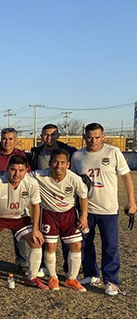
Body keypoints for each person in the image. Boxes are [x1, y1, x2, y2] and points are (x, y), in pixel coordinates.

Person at [70, 123, 136, 296]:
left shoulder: (113, 152)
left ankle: (111, 280)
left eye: (97, 137)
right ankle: (91, 274)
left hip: (108, 209)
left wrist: (131, 201)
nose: (93, 140)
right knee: (85, 243)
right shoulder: (77, 156)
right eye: (89, 137)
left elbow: (126, 176)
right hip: (86, 209)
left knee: (110, 245)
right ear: (84, 137)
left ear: (103, 136)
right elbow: (73, 181)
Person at [0, 155, 44, 290]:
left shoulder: (32, 183)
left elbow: (36, 206)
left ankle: (32, 278)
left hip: (19, 217)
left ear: (26, 170)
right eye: (13, 170)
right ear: (7, 168)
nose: (17, 174)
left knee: (36, 241)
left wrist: (36, 229)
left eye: (21, 170)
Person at [30, 149, 89, 291]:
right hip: (49, 214)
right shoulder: (39, 175)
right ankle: (53, 277)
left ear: (68, 164)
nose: (59, 166)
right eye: (56, 162)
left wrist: (84, 216)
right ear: (50, 163)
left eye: (62, 162)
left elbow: (83, 196)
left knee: (76, 246)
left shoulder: (74, 179)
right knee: (50, 246)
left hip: (69, 214)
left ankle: (71, 279)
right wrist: (1, 174)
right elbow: (20, 176)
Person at [0, 127, 30, 274]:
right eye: (4, 139)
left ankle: (21, 262)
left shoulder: (21, 155)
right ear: (0, 140)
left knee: (20, 234)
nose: (7, 141)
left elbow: (28, 173)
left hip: (17, 197)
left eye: (10, 139)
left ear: (15, 140)